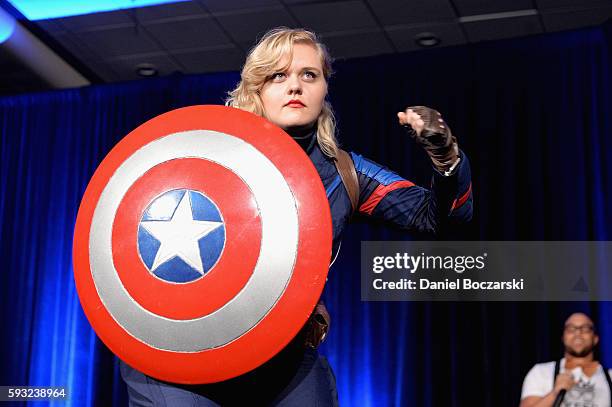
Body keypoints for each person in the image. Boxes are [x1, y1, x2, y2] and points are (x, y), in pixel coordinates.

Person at [121, 27, 473, 406]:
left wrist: (446, 157)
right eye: (278, 75)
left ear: (324, 90)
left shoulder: (344, 174)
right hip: (180, 360)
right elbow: (125, 232)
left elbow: (438, 218)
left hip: (282, 362)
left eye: (309, 75)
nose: (295, 86)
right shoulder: (201, 149)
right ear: (256, 88)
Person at [520, 312, 612, 407]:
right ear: (563, 338)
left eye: (585, 329)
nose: (578, 333)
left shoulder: (610, 376)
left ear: (595, 338)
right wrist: (554, 393)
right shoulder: (541, 372)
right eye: (571, 329)